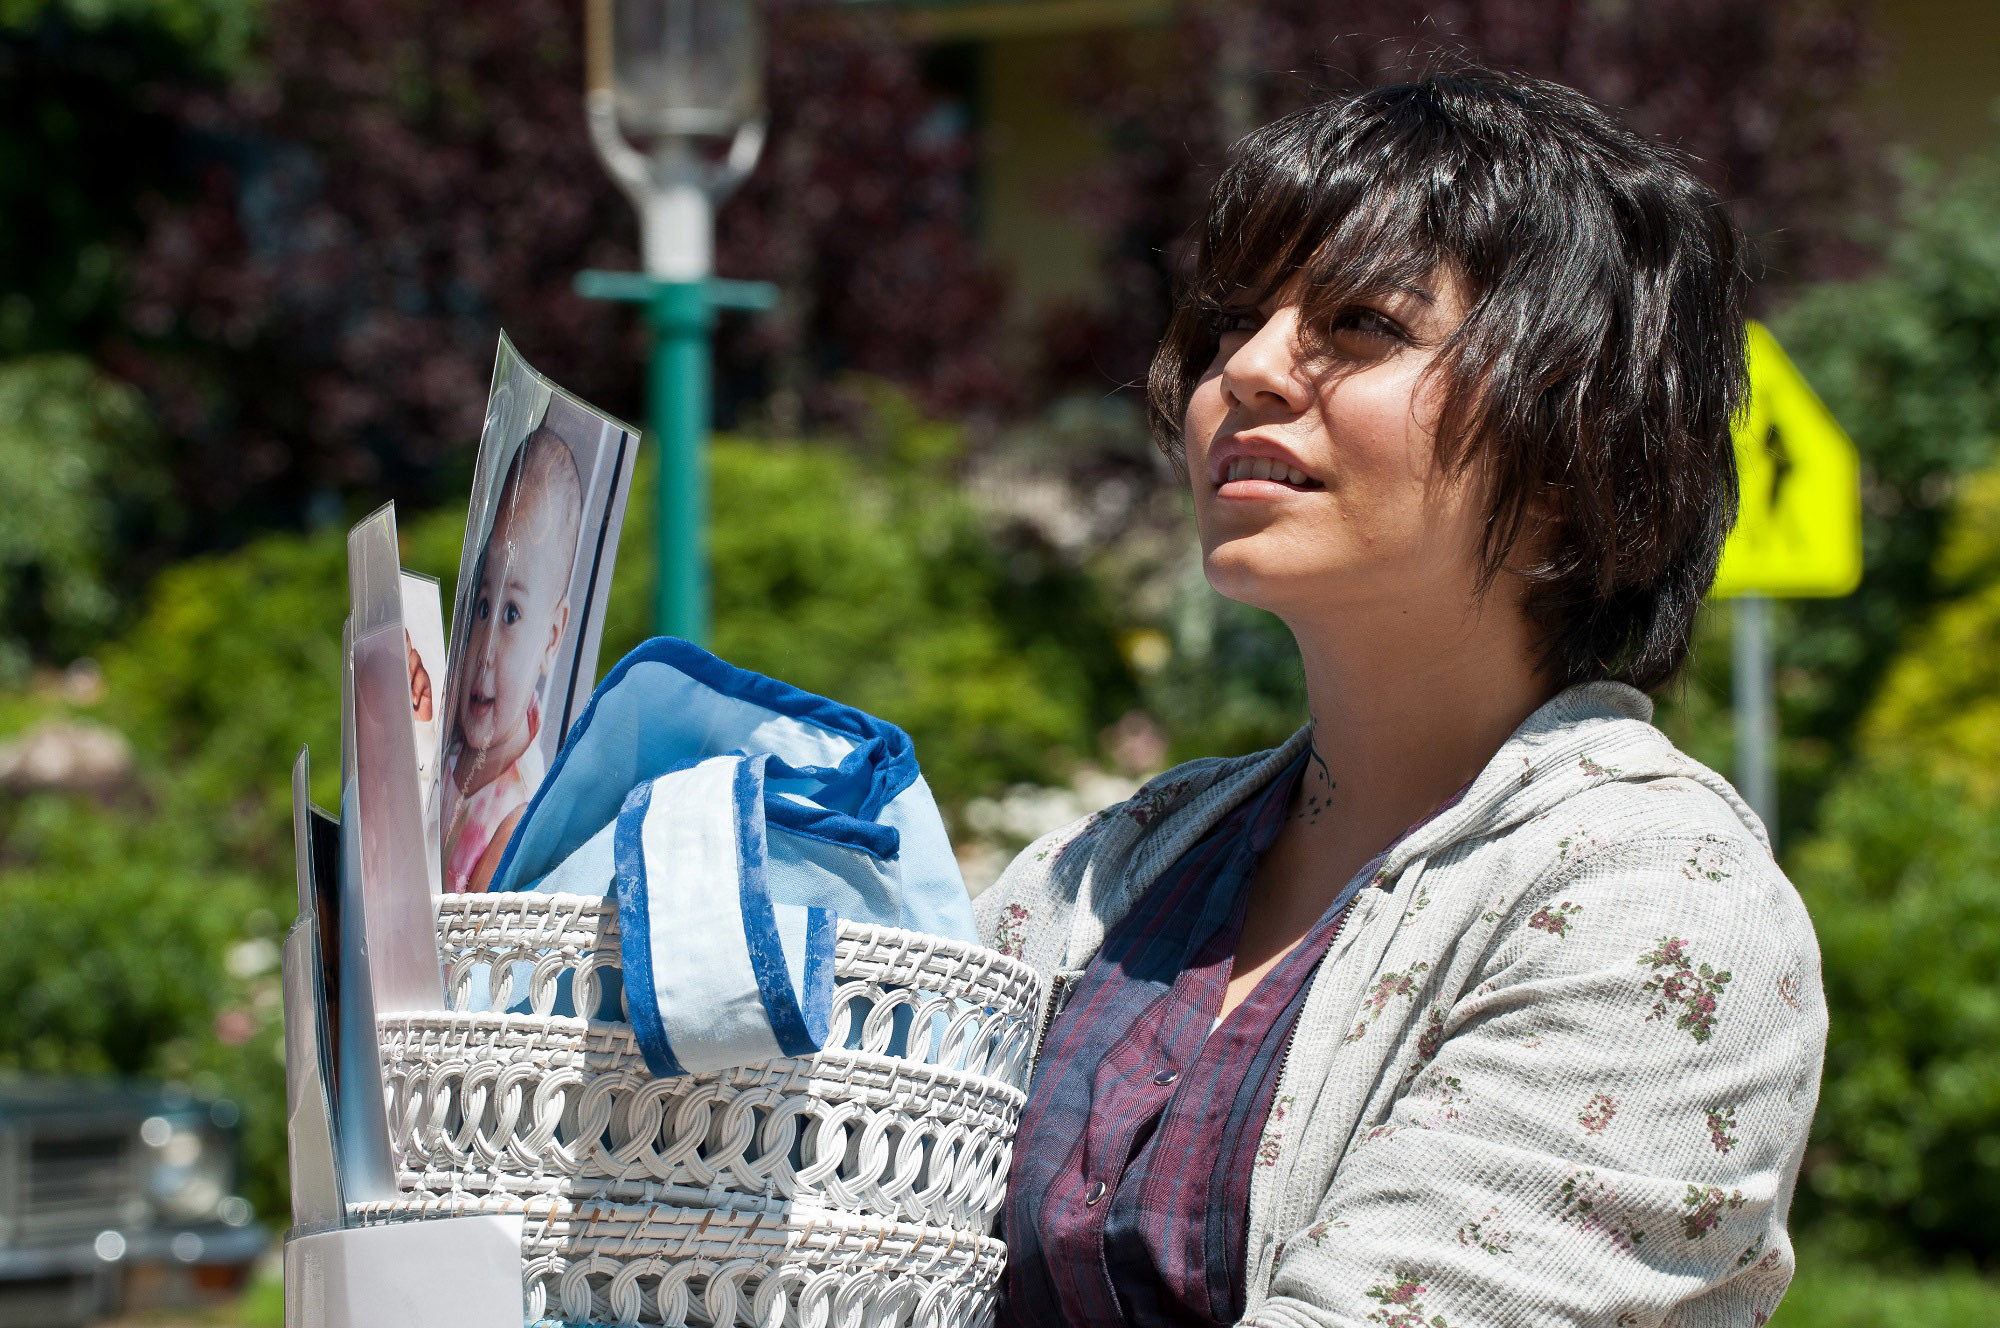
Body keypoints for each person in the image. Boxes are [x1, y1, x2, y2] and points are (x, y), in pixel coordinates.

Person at [977, 67, 1826, 1327]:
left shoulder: (1658, 909)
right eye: (1231, 319)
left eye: (1361, 323)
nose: (1248, 370)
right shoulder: (1111, 865)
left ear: (1576, 442)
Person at [443, 423, 582, 893]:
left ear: (551, 638)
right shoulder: (448, 747)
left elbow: (467, 961)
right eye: (482, 607)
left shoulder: (519, 814)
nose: (484, 649)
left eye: (511, 613)